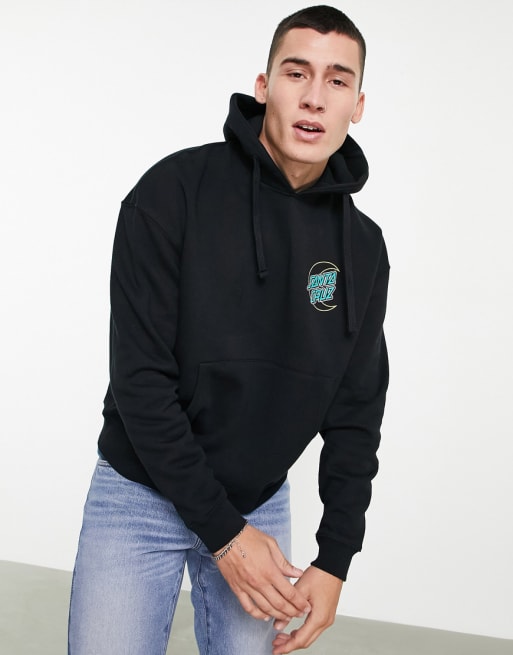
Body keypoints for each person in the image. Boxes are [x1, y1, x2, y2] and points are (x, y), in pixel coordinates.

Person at [68, 5, 389, 654]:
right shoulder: (172, 193)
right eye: (296, 73)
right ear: (264, 86)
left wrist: (335, 558)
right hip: (140, 495)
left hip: (257, 502)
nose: (314, 96)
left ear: (356, 105)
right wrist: (223, 535)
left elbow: (357, 410)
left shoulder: (361, 248)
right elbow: (140, 381)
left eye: (336, 80)